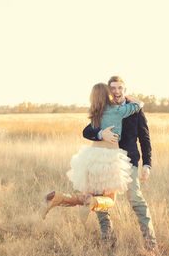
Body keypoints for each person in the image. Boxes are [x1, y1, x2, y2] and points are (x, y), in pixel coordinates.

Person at [42, 83, 143, 221]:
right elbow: (138, 105)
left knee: (87, 195)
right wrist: (130, 97)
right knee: (109, 200)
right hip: (110, 158)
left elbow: (88, 130)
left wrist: (100, 133)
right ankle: (93, 203)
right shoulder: (117, 110)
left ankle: (58, 198)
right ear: (108, 95)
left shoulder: (95, 113)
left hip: (91, 157)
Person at [83, 76, 157, 252]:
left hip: (128, 161)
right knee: (101, 199)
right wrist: (101, 134)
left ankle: (151, 244)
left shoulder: (135, 110)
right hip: (107, 161)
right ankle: (108, 240)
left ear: (125, 90)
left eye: (120, 88)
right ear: (109, 90)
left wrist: (147, 164)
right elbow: (87, 131)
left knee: (135, 199)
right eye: (113, 88)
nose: (116, 91)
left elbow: (145, 138)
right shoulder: (104, 109)